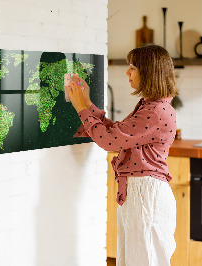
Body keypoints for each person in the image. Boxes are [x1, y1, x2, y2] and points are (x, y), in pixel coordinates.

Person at [65, 44, 178, 266]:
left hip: (146, 195)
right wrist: (87, 103)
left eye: (133, 67)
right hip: (140, 193)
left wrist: (81, 107)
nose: (127, 72)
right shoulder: (151, 106)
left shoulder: (155, 111)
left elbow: (109, 141)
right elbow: (117, 133)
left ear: (149, 71)